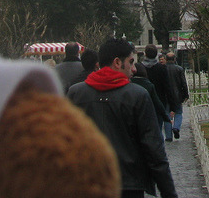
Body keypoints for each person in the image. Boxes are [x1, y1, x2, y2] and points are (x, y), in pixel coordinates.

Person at [69, 38, 178, 198]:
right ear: (117, 62)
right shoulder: (138, 96)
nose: (134, 69)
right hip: (128, 185)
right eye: (131, 62)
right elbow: (154, 150)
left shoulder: (76, 94)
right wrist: (169, 192)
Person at [141, 44, 178, 143]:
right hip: (159, 101)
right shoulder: (161, 68)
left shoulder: (141, 68)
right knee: (157, 125)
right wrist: (173, 106)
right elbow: (167, 87)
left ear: (145, 54)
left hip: (143, 101)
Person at [132, 61, 172, 129]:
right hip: (148, 113)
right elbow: (157, 102)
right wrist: (166, 117)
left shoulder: (128, 83)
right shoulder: (149, 85)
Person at [164, 52, 189, 140]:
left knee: (166, 115)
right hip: (177, 95)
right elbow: (183, 83)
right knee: (178, 113)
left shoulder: (163, 69)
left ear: (166, 59)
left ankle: (168, 136)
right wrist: (186, 94)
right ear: (175, 59)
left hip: (165, 95)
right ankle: (176, 127)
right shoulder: (179, 69)